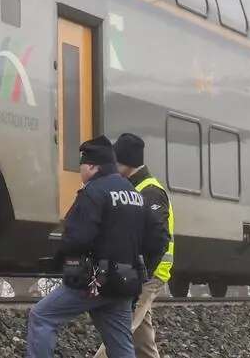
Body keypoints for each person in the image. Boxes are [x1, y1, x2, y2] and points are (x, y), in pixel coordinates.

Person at [26, 136, 169, 358]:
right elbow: (159, 239)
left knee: (42, 316)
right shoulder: (134, 194)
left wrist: (58, 263)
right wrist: (142, 273)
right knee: (121, 345)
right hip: (124, 282)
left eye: (81, 165)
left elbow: (77, 239)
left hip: (94, 281)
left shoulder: (93, 192)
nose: (80, 171)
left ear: (92, 166)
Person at [94, 133, 174, 358]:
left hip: (148, 275)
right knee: (143, 344)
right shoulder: (136, 188)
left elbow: (159, 239)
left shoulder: (149, 192)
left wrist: (140, 274)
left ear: (124, 162)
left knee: (117, 334)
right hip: (139, 273)